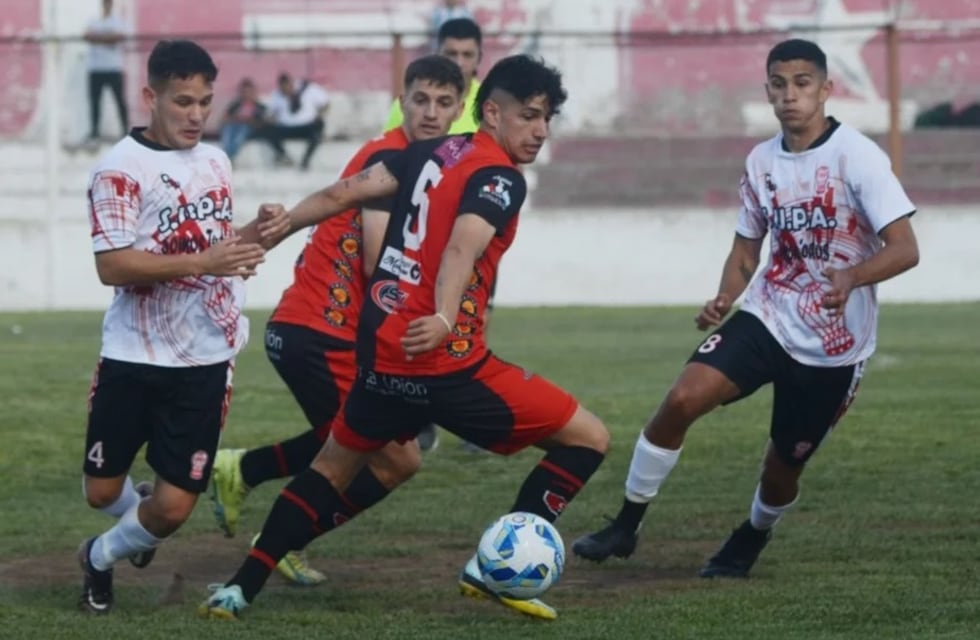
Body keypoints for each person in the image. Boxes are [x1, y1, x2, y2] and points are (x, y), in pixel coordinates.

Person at [199, 54, 609, 622]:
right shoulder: (499, 176)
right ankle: (494, 569)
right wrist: (444, 317)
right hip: (448, 363)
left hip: (382, 356)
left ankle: (239, 588)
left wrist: (279, 227)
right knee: (588, 438)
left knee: (332, 468)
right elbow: (463, 246)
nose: (540, 130)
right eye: (531, 116)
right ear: (492, 112)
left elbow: (343, 193)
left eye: (547, 119)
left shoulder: (424, 154)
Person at [572, 39, 920, 579]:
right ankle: (626, 523)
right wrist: (724, 298)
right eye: (779, 85)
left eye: (803, 83)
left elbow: (905, 247)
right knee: (684, 397)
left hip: (833, 345)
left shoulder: (859, 157)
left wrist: (851, 276)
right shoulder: (762, 161)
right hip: (769, 314)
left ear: (826, 90)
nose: (790, 96)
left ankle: (751, 537)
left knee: (783, 466)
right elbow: (745, 251)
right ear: (767, 91)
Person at [207, 54, 467, 586]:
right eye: (420, 100)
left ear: (459, 109)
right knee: (394, 459)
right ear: (404, 101)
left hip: (325, 333)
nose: (431, 113)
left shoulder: (429, 161)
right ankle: (277, 539)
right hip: (318, 331)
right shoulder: (391, 157)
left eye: (444, 103)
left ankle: (245, 475)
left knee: (357, 446)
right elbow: (378, 261)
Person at [78, 39, 289, 615]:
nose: (197, 115)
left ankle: (98, 557)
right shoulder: (120, 169)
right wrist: (206, 261)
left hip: (204, 358)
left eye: (205, 102)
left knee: (171, 512)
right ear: (151, 96)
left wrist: (256, 230)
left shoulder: (216, 161)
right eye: (183, 102)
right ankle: (128, 522)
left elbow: (219, 247)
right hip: (131, 354)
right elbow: (112, 265)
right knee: (100, 491)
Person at [385, 17, 486, 452]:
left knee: (471, 322)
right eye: (452, 54)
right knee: (414, 321)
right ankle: (419, 417)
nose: (460, 63)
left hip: (470, 233)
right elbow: (394, 161)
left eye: (468, 56)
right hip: (419, 236)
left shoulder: (487, 104)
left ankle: (468, 421)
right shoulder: (413, 103)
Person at [261, 72, 331, 170]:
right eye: (283, 88)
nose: (285, 90)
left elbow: (326, 103)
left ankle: (305, 160)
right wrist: (269, 120)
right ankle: (284, 156)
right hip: (286, 128)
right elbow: (271, 113)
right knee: (266, 130)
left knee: (319, 126)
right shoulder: (277, 94)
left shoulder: (308, 89)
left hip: (307, 126)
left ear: (291, 83)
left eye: (287, 86)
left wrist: (319, 115)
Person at [84, 0, 129, 143]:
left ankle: (125, 129)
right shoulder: (94, 20)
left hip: (113, 67)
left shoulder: (118, 21)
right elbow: (87, 36)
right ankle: (94, 132)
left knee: (119, 100)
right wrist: (107, 37)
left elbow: (118, 37)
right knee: (94, 102)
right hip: (96, 68)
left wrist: (98, 38)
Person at [219, 78, 267, 163]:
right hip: (233, 126)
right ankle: (227, 157)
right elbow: (224, 119)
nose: (246, 94)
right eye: (244, 92)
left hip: (248, 128)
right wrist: (236, 118)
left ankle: (228, 157)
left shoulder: (259, 107)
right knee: (227, 134)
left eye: (249, 92)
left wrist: (248, 120)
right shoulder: (235, 105)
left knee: (239, 136)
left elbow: (263, 122)